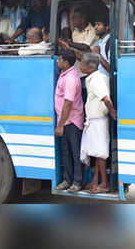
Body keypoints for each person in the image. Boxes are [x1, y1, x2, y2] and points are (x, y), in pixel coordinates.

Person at [79, 52, 117, 194]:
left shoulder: (96, 80)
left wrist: (112, 112)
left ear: (89, 66)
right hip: (95, 121)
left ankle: (104, 184)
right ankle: (95, 180)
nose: (80, 65)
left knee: (100, 153)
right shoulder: (100, 77)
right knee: (96, 152)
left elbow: (106, 98)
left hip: (98, 121)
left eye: (82, 63)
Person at [55, 50, 85, 193]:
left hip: (72, 121)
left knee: (75, 152)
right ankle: (67, 180)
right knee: (66, 151)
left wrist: (60, 125)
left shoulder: (71, 79)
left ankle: (77, 182)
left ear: (66, 62)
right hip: (65, 120)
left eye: (59, 59)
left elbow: (68, 103)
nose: (57, 61)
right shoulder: (65, 75)